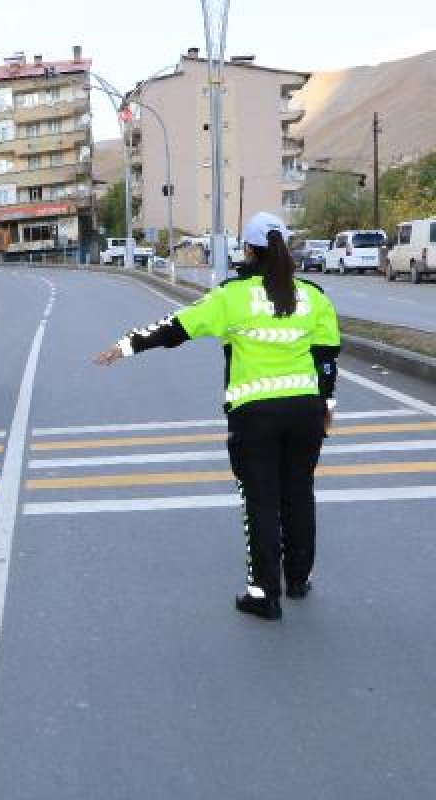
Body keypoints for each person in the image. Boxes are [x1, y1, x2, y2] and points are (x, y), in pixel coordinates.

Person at [93, 212, 341, 620]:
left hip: (254, 414)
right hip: (305, 412)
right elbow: (327, 360)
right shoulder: (313, 296)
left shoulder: (231, 296)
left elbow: (175, 328)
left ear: (247, 249)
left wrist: (126, 345)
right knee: (298, 492)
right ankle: (297, 580)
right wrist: (327, 408)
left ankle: (264, 595)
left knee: (260, 500)